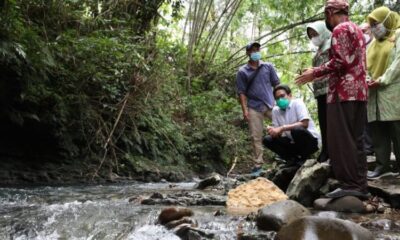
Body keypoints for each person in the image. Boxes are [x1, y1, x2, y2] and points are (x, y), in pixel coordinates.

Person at [295, 0, 369, 199]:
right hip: (359, 91)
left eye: (326, 15)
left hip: (343, 93)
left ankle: (350, 184)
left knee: (342, 140)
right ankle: (361, 185)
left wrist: (314, 73)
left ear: (330, 13)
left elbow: (340, 61)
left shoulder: (340, 29)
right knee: (357, 139)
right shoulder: (357, 30)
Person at [365, 7, 400, 179]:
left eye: (376, 23)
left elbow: (398, 63)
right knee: (378, 130)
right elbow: (364, 66)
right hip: (374, 92)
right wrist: (366, 79)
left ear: (386, 20)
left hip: (393, 90)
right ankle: (382, 165)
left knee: (396, 128)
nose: (373, 27)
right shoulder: (371, 44)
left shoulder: (398, 35)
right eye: (371, 24)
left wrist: (383, 79)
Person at [236, 42, 280, 174]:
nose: (255, 52)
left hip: (271, 104)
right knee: (256, 136)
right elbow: (242, 93)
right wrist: (245, 110)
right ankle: (258, 165)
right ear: (247, 53)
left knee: (283, 128)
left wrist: (281, 102)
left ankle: (286, 157)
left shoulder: (268, 67)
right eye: (252, 50)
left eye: (257, 49)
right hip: (254, 107)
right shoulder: (242, 72)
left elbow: (277, 85)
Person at [263, 84, 320, 166]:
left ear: (290, 95)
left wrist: (282, 128)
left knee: (297, 130)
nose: (280, 99)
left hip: (310, 142)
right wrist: (272, 131)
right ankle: (291, 159)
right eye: (277, 98)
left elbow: (304, 123)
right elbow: (278, 132)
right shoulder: (275, 110)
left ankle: (305, 157)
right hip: (293, 143)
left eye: (282, 96)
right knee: (268, 139)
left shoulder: (297, 103)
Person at [306, 21, 332, 163]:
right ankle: (325, 151)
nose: (313, 38)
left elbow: (334, 65)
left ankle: (333, 152)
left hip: (331, 90)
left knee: (332, 123)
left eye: (315, 34)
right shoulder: (319, 51)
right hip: (320, 92)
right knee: (323, 123)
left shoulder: (332, 44)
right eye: (311, 36)